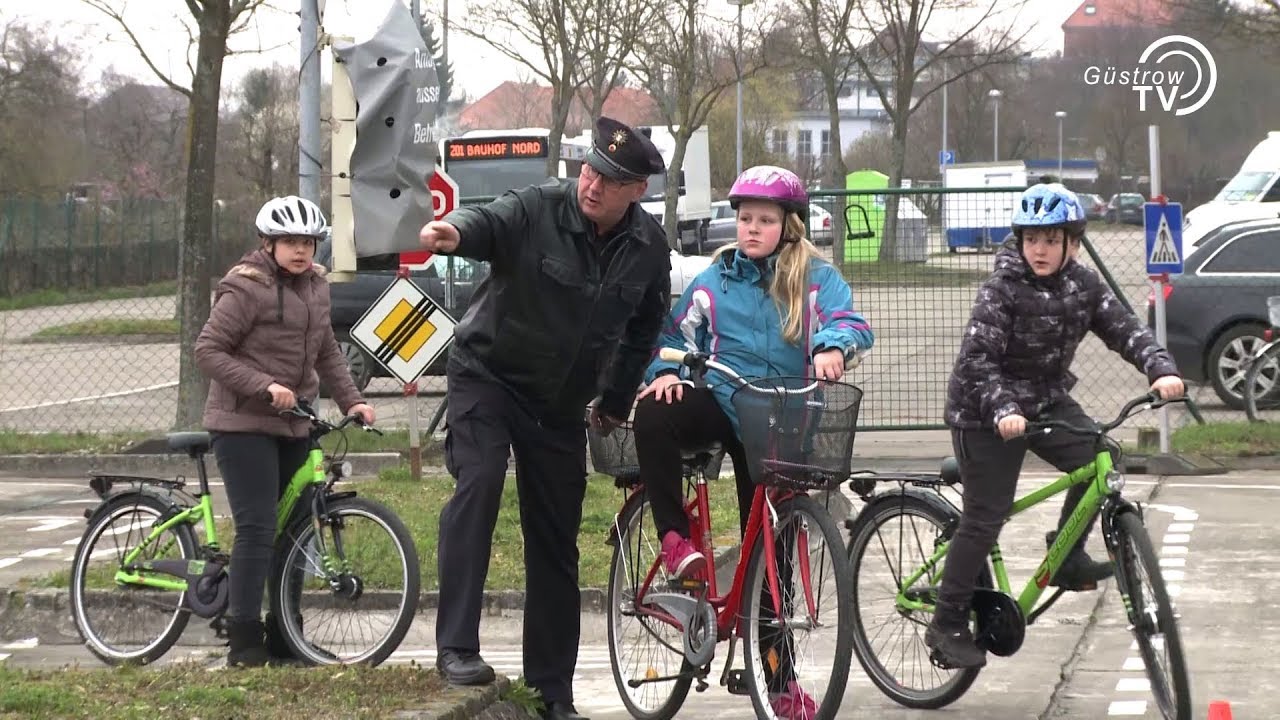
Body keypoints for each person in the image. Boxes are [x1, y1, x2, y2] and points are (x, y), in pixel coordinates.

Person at [417, 116, 672, 720]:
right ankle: (456, 647)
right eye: (589, 169)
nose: (592, 184)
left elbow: (642, 330)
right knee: (477, 484)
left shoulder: (648, 249)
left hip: (558, 406)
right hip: (488, 377)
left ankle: (552, 693)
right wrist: (453, 231)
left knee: (555, 541)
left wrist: (613, 401)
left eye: (609, 179)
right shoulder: (538, 208)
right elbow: (487, 222)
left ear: (637, 191)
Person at [632, 165, 873, 718]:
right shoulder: (714, 282)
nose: (751, 229)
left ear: (789, 226)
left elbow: (850, 321)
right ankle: (674, 540)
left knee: (773, 559)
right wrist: (660, 374)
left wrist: (833, 345)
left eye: (765, 220)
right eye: (744, 219)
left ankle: (778, 682)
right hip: (723, 401)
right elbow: (670, 338)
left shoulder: (815, 277)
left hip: (784, 420)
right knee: (657, 413)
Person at [925, 182, 1185, 669]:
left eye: (1050, 239)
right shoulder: (1001, 290)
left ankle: (1065, 556)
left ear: (1073, 243)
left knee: (1103, 459)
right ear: (1019, 241)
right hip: (984, 411)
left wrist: (1160, 367)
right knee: (987, 516)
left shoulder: (1082, 286)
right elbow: (978, 361)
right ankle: (947, 622)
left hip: (1044, 402)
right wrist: (1003, 410)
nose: (1039, 250)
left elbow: (1125, 330)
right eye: (1031, 239)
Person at [194, 195, 376, 667]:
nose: (301, 251)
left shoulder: (316, 286)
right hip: (242, 424)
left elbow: (327, 353)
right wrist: (264, 385)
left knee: (296, 530)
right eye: (291, 242)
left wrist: (352, 399)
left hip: (294, 423)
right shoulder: (244, 287)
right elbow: (208, 351)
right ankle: (244, 642)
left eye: (308, 243)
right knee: (257, 528)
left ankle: (286, 635)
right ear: (268, 243)